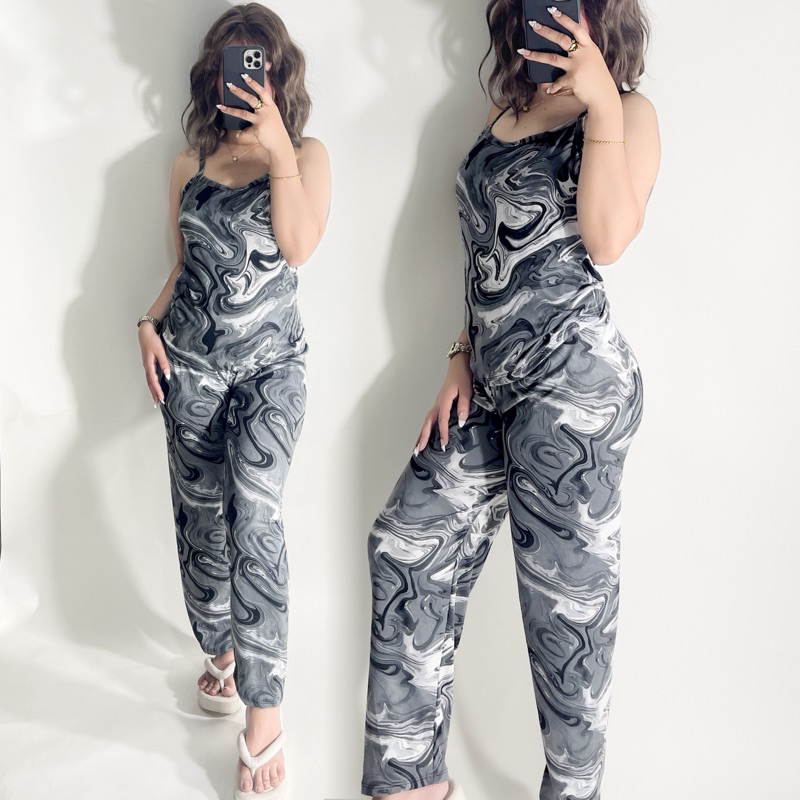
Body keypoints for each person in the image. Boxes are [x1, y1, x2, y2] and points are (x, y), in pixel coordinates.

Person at [361, 1, 659, 799]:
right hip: (489, 385)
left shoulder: (628, 111)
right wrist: (461, 354)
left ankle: (574, 789)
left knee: (565, 613)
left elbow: (606, 239)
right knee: (404, 543)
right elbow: (488, 253)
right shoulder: (507, 111)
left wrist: (600, 102)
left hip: (571, 386)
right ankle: (412, 780)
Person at [136, 4, 330, 798]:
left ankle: (263, 711)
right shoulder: (189, 162)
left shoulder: (307, 155)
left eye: (261, 66)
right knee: (200, 528)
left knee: (254, 513)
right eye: (232, 65)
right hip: (189, 367)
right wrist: (147, 322)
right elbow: (186, 266)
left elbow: (300, 246)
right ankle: (220, 649)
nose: (247, 79)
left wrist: (277, 148)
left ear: (280, 76)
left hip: (271, 373)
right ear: (212, 77)